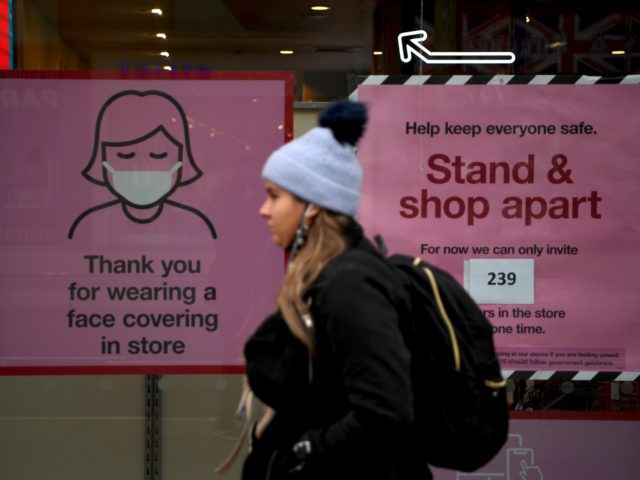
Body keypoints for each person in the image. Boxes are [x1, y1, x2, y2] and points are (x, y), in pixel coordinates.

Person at [240, 101, 430, 480]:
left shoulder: (351, 285)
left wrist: (302, 453)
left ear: (311, 206)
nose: (264, 210)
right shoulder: (328, 276)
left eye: (275, 195)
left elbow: (384, 408)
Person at [68, 90, 216, 239]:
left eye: (158, 154)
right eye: (126, 155)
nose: (141, 166)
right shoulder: (96, 226)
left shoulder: (193, 221)